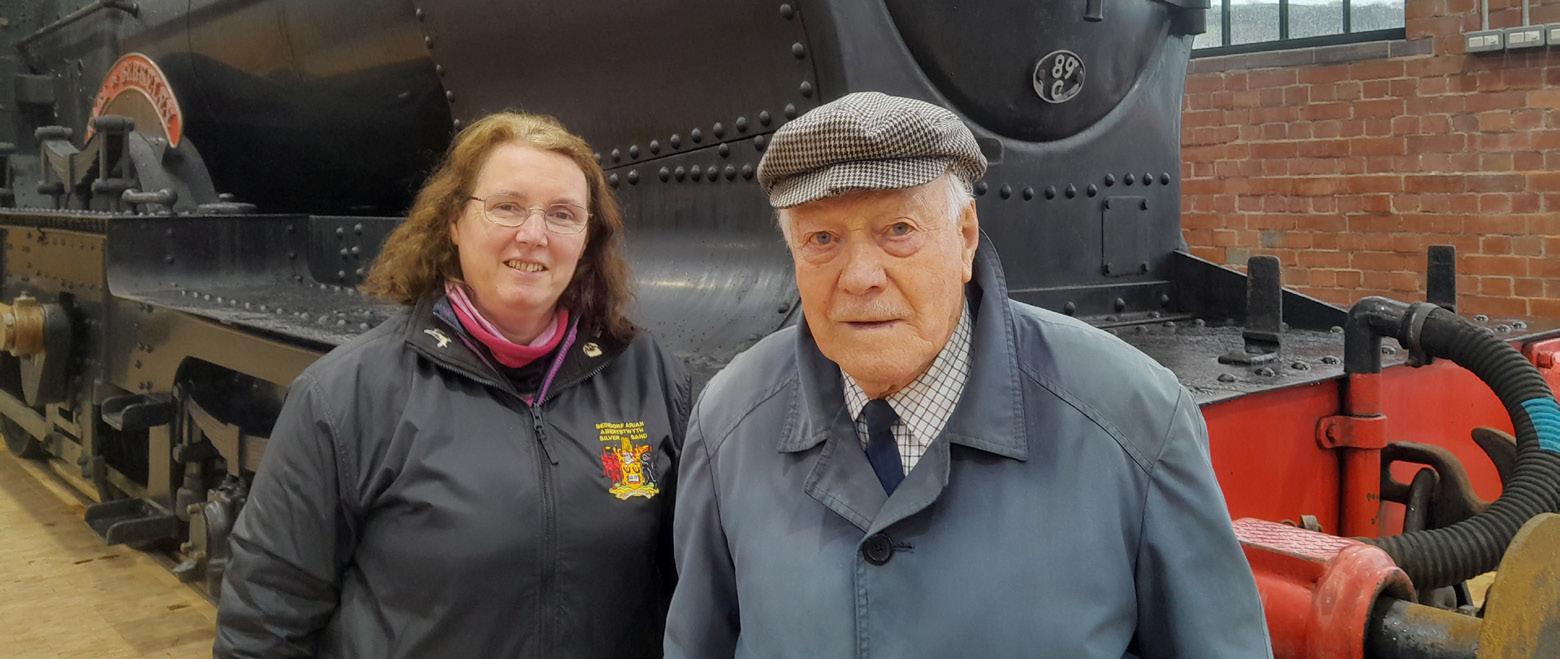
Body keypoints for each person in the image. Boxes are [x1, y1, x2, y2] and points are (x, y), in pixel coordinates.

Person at [665, 92, 1271, 657]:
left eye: (898, 230)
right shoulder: (727, 425)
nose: (860, 277)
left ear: (964, 237)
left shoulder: (1134, 420)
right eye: (822, 238)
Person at [215, 112, 691, 657]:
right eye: (507, 206)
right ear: (455, 223)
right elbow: (267, 614)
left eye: (562, 214)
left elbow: (694, 582)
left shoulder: (648, 375)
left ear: (586, 239)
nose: (533, 235)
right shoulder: (348, 394)